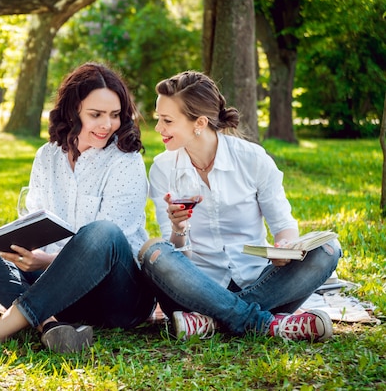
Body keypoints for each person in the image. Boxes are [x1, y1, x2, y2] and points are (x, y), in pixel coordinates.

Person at [0, 62, 156, 352]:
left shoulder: (125, 161)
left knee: (102, 232)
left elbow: (104, 249)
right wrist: (20, 251)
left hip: (118, 297)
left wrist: (44, 261)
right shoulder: (47, 156)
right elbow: (33, 222)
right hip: (57, 292)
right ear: (73, 112)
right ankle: (50, 324)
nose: (107, 125)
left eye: (114, 115)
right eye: (95, 115)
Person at [139, 71, 341, 342]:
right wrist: (179, 228)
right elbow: (178, 260)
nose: (158, 128)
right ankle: (266, 323)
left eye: (167, 120)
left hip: (259, 282)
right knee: (154, 252)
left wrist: (284, 248)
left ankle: (211, 321)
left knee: (328, 249)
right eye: (158, 119)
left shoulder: (252, 159)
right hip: (194, 291)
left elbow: (284, 226)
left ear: (199, 122)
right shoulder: (164, 168)